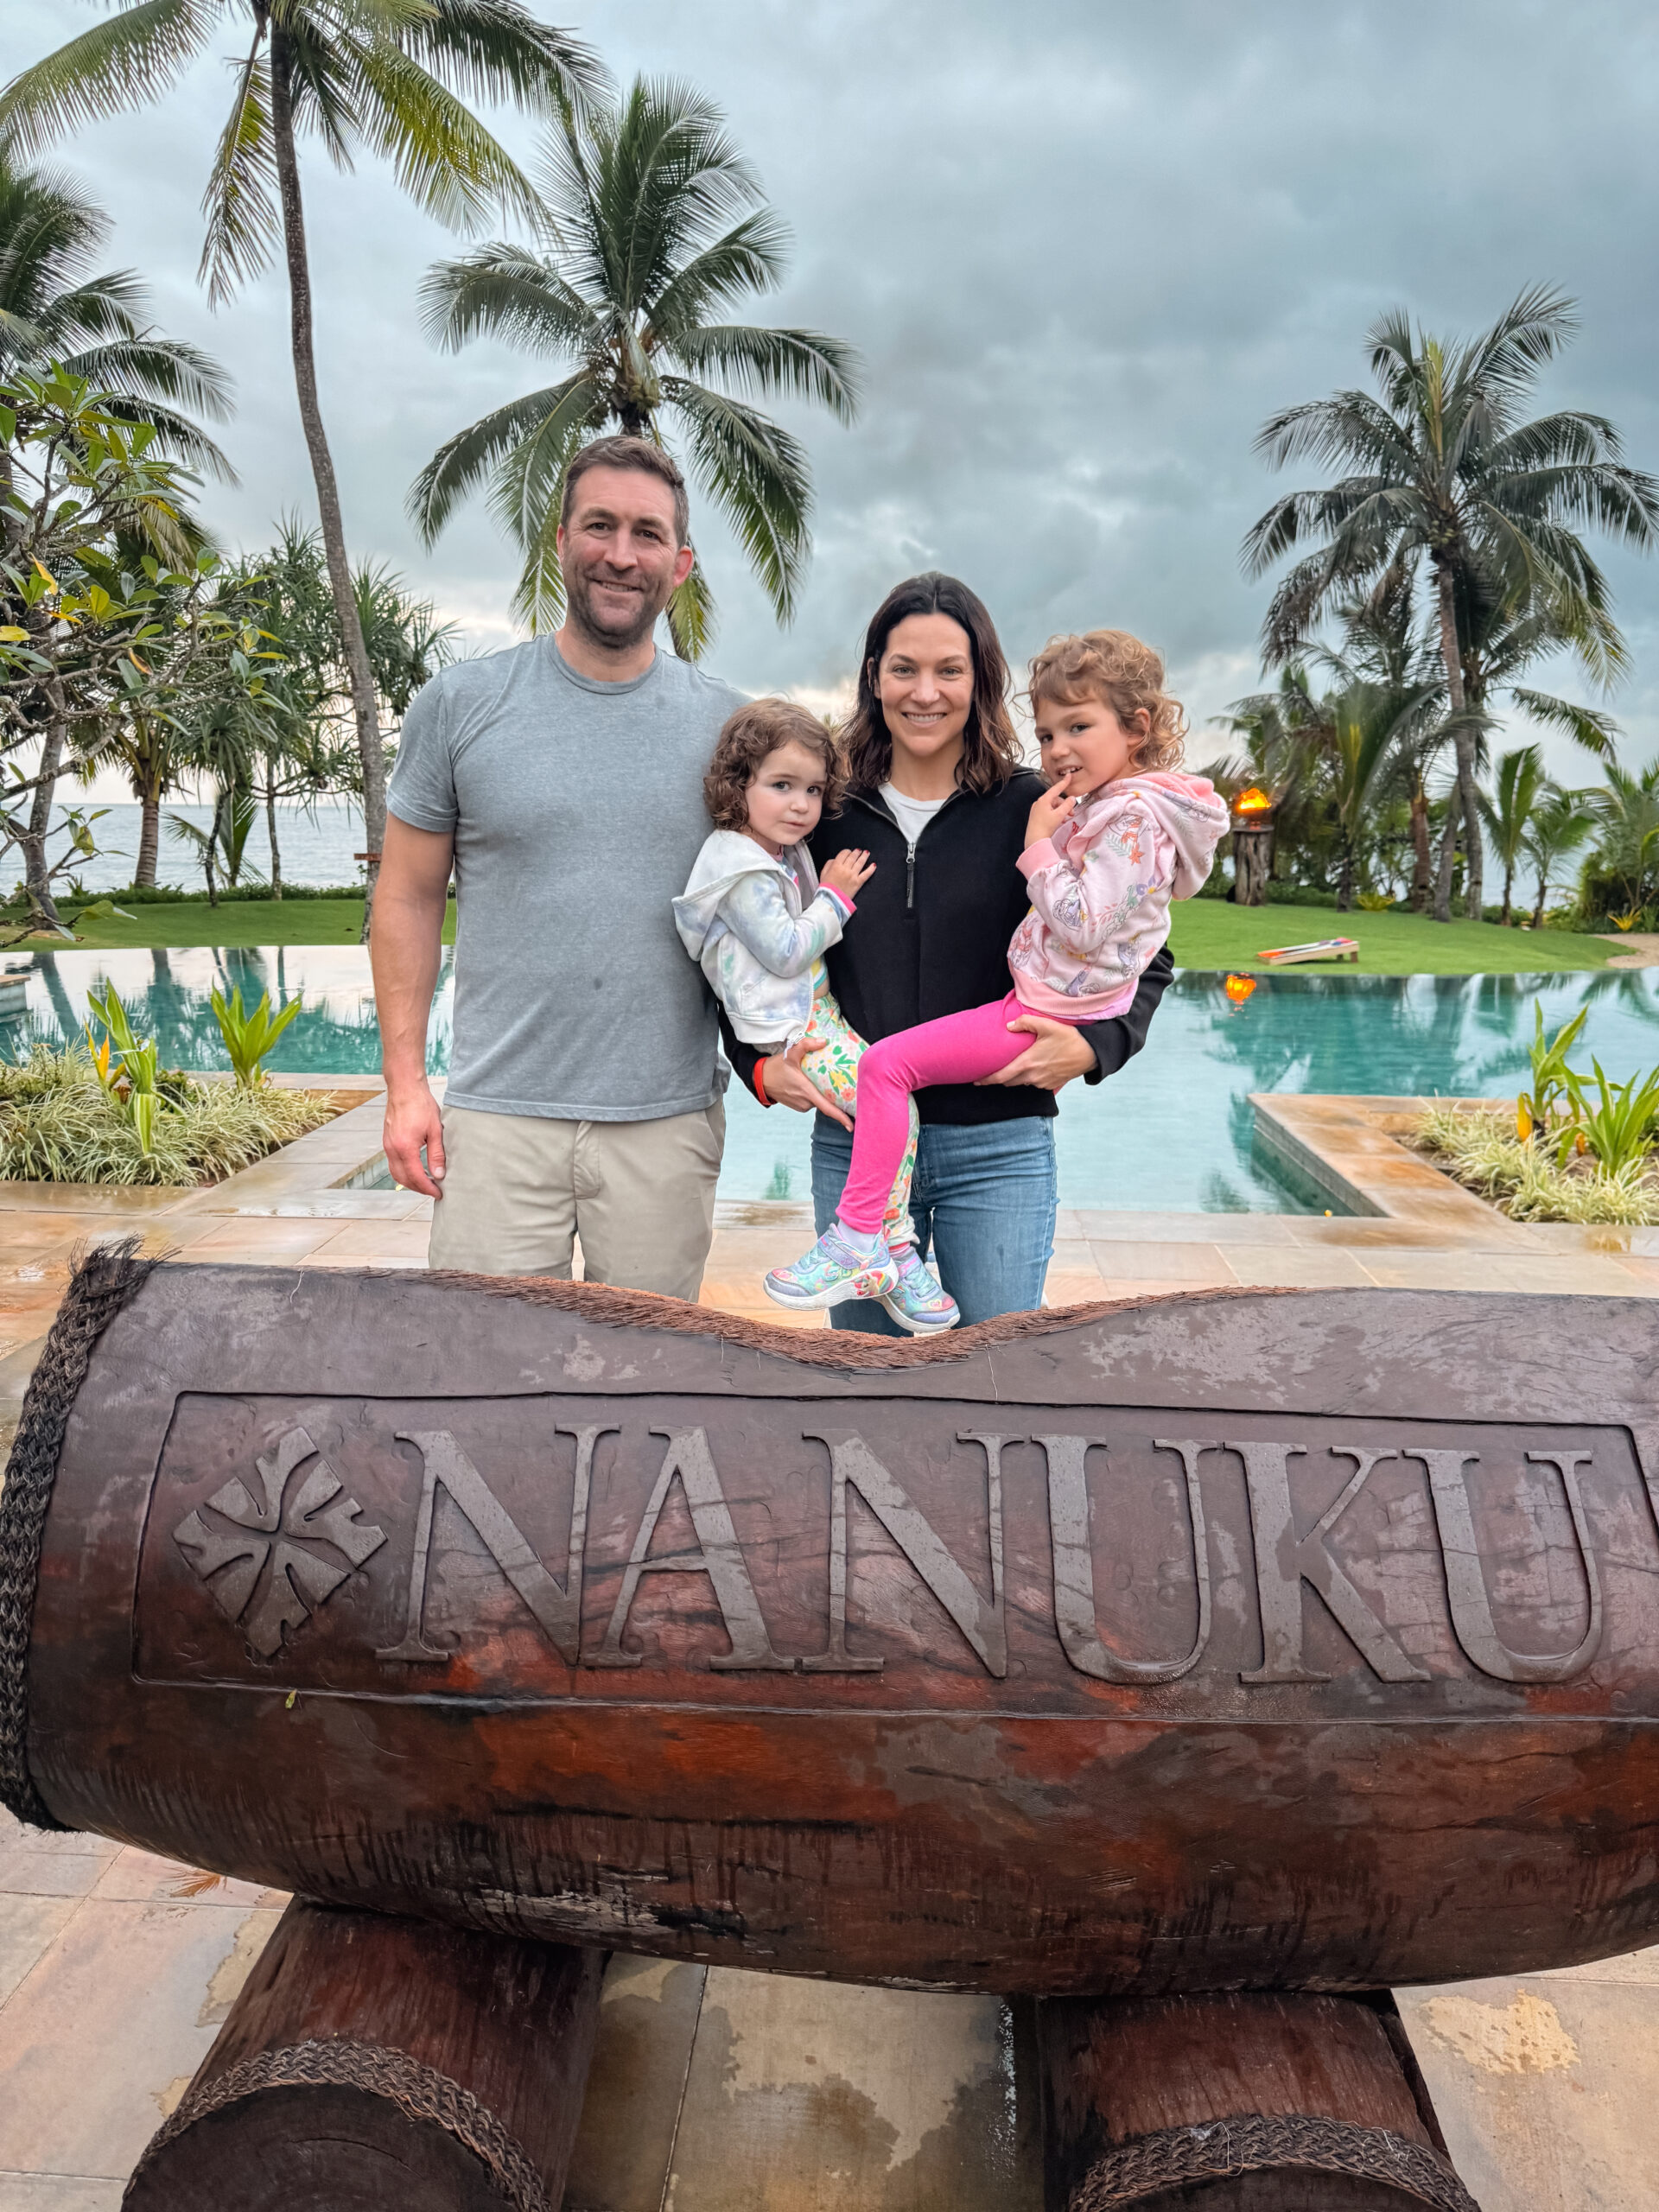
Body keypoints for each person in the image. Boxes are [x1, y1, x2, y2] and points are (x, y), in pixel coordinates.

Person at [721, 574, 1176, 1335]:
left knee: (994, 1388)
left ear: (981, 680)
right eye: (904, 668)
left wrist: (1094, 1047)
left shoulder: (1042, 809)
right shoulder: (822, 812)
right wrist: (759, 1068)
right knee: (866, 1387)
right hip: (857, 1146)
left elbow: (1144, 950)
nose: (924, 692)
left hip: (997, 1149)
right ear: (874, 677)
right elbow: (736, 933)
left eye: (949, 671)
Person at [370, 435, 745, 1294]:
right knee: (483, 1386)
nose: (622, 555)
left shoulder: (732, 730)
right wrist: (406, 1087)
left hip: (665, 1123)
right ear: (560, 542)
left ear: (680, 564)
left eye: (647, 534)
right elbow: (406, 895)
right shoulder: (462, 705)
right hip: (498, 1120)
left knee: (649, 1395)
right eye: (600, 526)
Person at [672, 696, 958, 1333]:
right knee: (895, 1107)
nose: (800, 805)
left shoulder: (774, 847)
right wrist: (836, 897)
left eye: (811, 790)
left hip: (816, 1015)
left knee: (886, 1110)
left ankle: (885, 1252)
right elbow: (785, 950)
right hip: (792, 1028)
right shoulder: (738, 864)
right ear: (737, 784)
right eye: (780, 786)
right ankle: (883, 1248)